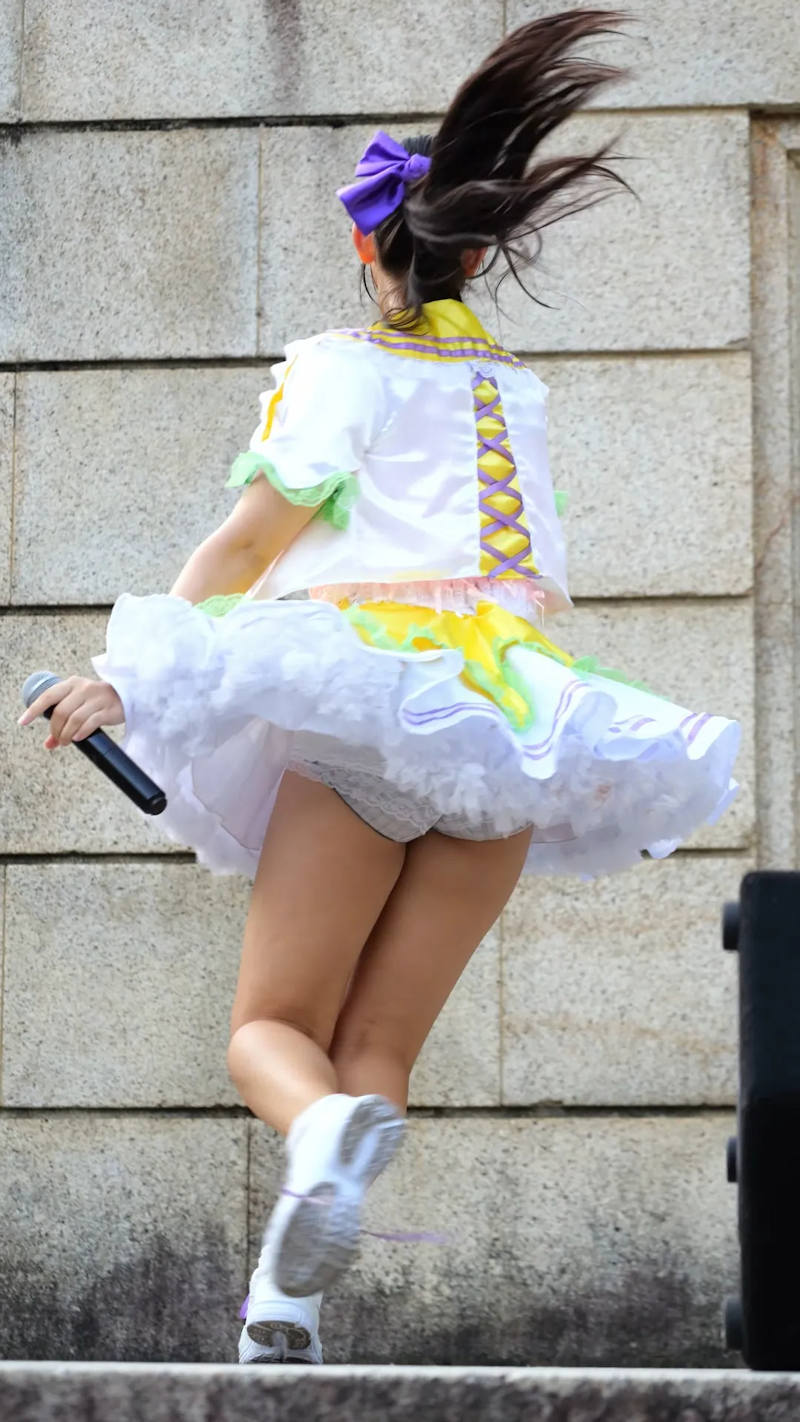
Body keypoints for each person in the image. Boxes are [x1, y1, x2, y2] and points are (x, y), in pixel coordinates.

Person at [18, 10, 740, 1366]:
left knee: (270, 1032)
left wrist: (127, 678)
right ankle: (281, 1315)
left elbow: (251, 542)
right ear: (474, 253)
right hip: (511, 732)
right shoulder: (515, 391)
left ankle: (315, 1142)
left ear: (372, 248)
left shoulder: (338, 366)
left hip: (372, 713)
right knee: (377, 1052)